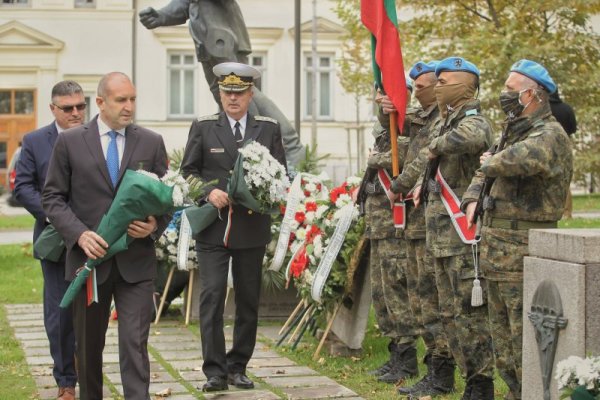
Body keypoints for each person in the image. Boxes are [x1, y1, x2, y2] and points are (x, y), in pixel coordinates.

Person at [42, 72, 170, 400]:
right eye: (121, 100)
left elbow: (168, 198)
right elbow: (52, 198)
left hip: (135, 264)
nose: (129, 107)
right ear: (100, 102)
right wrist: (79, 234)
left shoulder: (151, 142)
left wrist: (154, 225)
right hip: (89, 265)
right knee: (87, 350)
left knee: (134, 345)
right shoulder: (69, 141)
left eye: (133, 99)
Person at [463, 59, 573, 400]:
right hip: (497, 247)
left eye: (511, 90)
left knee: (523, 333)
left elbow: (511, 160)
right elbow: (483, 172)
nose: (504, 95)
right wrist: (470, 198)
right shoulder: (514, 130)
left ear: (532, 95)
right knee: (503, 337)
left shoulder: (549, 134)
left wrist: (489, 161)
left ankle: (533, 393)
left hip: (523, 246)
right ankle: (515, 392)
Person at [180, 62, 286, 392]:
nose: (233, 98)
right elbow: (188, 172)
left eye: (239, 92)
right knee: (211, 297)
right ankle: (214, 370)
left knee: (248, 299)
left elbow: (281, 174)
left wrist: (263, 193)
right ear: (219, 94)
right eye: (227, 92)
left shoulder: (267, 128)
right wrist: (207, 192)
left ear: (250, 94)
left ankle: (238, 365)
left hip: (250, 227)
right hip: (214, 227)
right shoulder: (203, 126)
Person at [412, 56, 495, 399]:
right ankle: (454, 376)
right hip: (441, 236)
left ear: (463, 85)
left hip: (462, 237)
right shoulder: (446, 122)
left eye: (444, 82)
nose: (438, 88)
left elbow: (474, 138)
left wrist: (435, 145)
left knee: (468, 315)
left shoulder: (473, 119)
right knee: (449, 314)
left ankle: (481, 383)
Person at [138, 0, 303, 167]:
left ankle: (276, 147)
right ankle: (270, 148)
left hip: (222, 37)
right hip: (207, 41)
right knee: (225, 93)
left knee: (241, 91)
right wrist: (161, 16)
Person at [389, 61, 459, 397]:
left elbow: (419, 162)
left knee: (433, 302)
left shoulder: (444, 122)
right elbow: (398, 140)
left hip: (434, 223)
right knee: (420, 300)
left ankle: (442, 372)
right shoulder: (422, 118)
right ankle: (434, 370)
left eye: (420, 87)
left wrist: (400, 182)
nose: (415, 92)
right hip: (418, 222)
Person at [14, 80, 86, 400]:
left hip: (93, 238)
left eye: (80, 107)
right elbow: (23, 187)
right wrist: (54, 216)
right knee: (59, 311)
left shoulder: (96, 137)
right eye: (68, 108)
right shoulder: (33, 141)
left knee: (91, 308)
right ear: (53, 109)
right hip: (55, 240)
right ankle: (66, 381)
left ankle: (84, 361)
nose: (75, 113)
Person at [357, 83, 418, 384]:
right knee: (382, 294)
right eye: (379, 96)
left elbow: (408, 155)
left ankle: (407, 359)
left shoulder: (410, 124)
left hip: (395, 223)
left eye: (386, 95)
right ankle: (396, 354)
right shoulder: (385, 131)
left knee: (396, 291)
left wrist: (376, 159)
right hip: (378, 223)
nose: (381, 100)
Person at [549, 89, 577, 218]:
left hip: (546, 145)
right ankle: (567, 212)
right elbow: (573, 128)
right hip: (564, 146)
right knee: (564, 179)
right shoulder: (567, 108)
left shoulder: (543, 109)